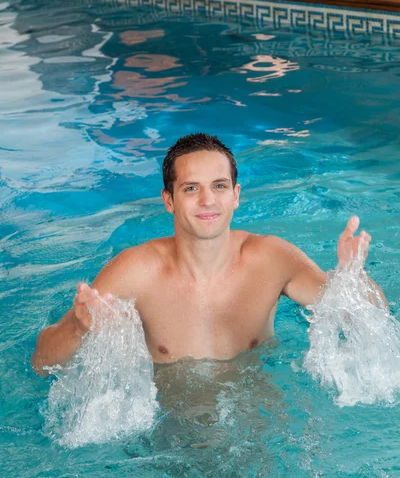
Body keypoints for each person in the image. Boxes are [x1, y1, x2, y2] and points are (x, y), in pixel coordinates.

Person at [31, 133, 388, 373]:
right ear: (168, 200)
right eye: (191, 188)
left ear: (235, 195)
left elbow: (373, 320)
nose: (208, 201)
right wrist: (79, 329)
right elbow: (41, 361)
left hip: (260, 425)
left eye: (219, 186)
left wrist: (353, 278)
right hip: (173, 437)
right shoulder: (135, 271)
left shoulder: (271, 258)